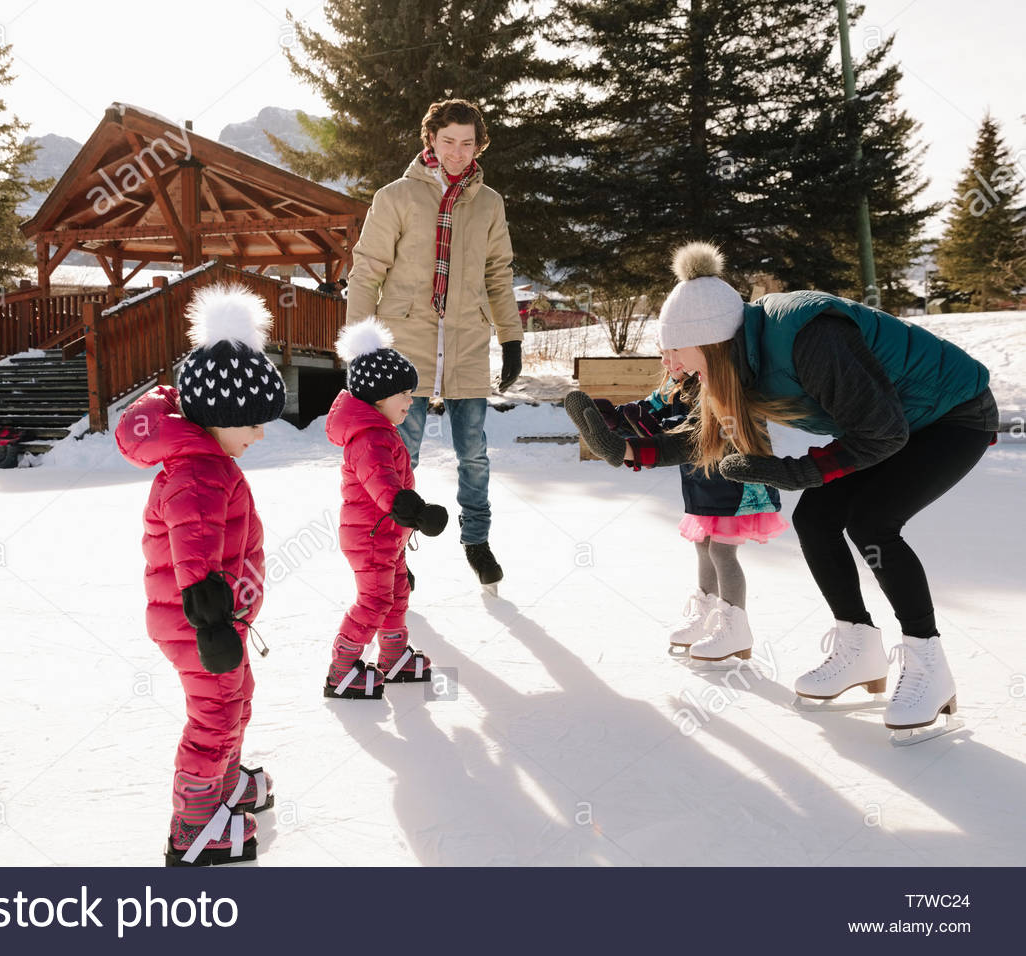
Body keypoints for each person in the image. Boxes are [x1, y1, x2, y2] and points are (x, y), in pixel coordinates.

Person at [567, 242, 997, 742]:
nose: (672, 365)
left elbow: (882, 433)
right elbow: (703, 438)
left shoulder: (810, 335)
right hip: (889, 422)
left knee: (872, 521)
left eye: (675, 351)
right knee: (815, 519)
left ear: (708, 340)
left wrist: (792, 472)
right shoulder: (732, 361)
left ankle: (928, 665)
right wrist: (626, 451)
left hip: (952, 415)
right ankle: (859, 645)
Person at [115, 284, 287, 865]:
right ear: (222, 416)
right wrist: (213, 623)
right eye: (253, 423)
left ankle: (223, 785)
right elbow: (194, 553)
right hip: (198, 622)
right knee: (214, 711)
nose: (260, 434)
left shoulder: (210, 461)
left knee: (236, 698)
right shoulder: (198, 473)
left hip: (214, 618)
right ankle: (193, 825)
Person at [345, 98, 523, 590]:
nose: (458, 153)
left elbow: (498, 274)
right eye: (449, 142)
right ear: (431, 141)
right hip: (406, 345)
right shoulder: (396, 197)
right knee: (402, 456)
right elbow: (367, 271)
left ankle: (477, 540)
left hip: (466, 340)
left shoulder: (488, 203)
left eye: (468, 143)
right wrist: (361, 344)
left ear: (477, 145)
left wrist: (511, 337)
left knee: (474, 453)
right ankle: (395, 549)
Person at [571, 369, 787, 661]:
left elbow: (695, 434)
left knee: (723, 552)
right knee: (704, 546)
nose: (668, 362)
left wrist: (652, 431)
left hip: (736, 481)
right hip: (703, 484)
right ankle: (706, 614)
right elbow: (647, 409)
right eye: (664, 354)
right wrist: (615, 418)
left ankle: (736, 627)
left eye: (673, 352)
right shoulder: (675, 385)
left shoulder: (723, 383)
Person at [324, 319, 448, 699]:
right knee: (375, 600)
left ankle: (393, 656)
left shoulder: (379, 430)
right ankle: (342, 669)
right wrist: (412, 509)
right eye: (404, 394)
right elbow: (381, 483)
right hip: (372, 535)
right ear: (378, 397)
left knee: (396, 595)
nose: (411, 402)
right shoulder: (369, 437)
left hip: (387, 534)